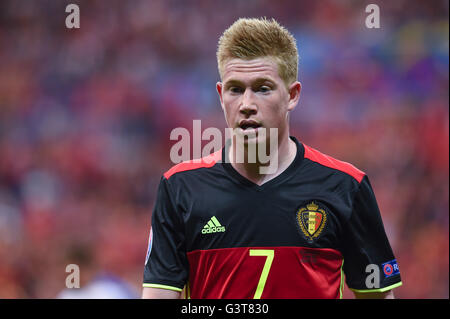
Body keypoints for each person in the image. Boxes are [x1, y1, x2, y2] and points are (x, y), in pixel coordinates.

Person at [142, 17, 402, 299]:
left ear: (292, 95)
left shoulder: (347, 186)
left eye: (263, 88)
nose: (247, 105)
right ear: (220, 95)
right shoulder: (179, 188)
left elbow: (377, 297)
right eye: (235, 89)